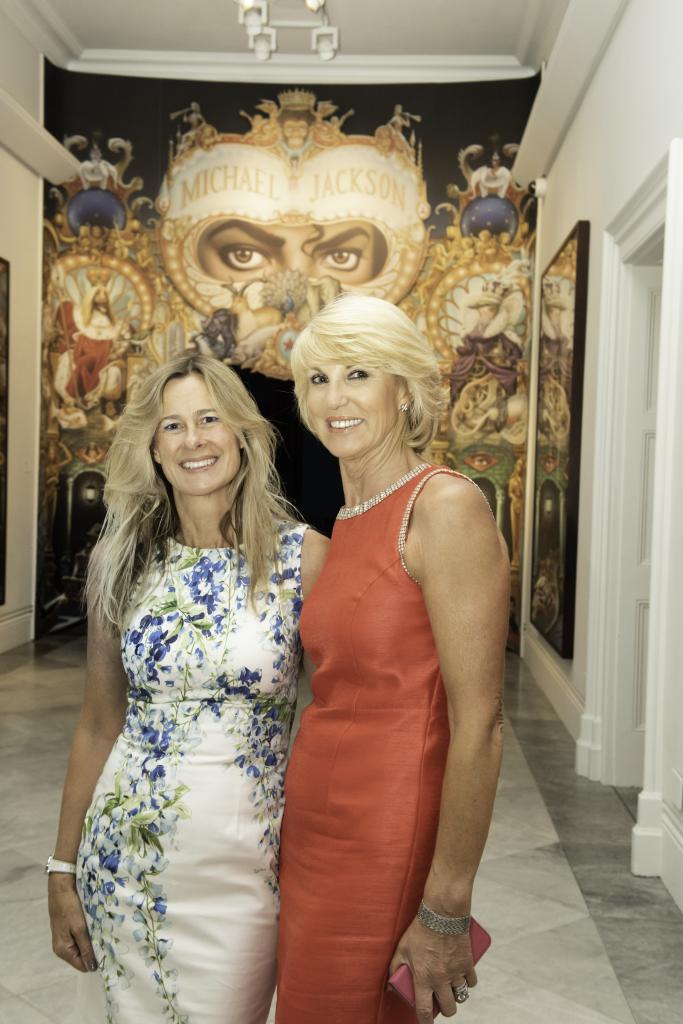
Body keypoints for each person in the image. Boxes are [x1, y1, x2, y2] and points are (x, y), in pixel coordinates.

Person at [47, 353, 328, 1024]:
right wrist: (62, 867)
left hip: (246, 870)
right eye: (172, 426)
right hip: (125, 864)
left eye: (209, 419)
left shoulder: (306, 558)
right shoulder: (121, 560)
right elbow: (98, 723)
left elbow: (338, 720)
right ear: (152, 446)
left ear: (243, 434)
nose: (193, 440)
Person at [276, 295, 509, 1024]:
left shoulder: (442, 507)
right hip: (314, 818)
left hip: (387, 826)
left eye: (358, 374)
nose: (333, 399)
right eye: (317, 380)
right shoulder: (344, 521)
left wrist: (445, 905)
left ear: (402, 389)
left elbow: (480, 724)